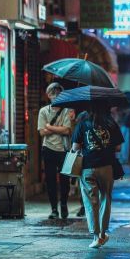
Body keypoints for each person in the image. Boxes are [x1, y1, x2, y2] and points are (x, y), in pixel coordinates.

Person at [71, 105, 123, 249]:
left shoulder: (82, 123)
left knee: (90, 201)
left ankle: (96, 236)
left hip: (87, 167)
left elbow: (75, 147)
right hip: (107, 166)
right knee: (105, 197)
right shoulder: (111, 124)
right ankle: (102, 234)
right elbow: (118, 147)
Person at [38, 82, 72, 219]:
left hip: (63, 150)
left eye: (58, 94)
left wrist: (49, 127)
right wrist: (59, 129)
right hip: (48, 149)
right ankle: (54, 209)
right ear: (49, 95)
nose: (55, 96)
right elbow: (41, 132)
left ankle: (63, 205)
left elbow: (67, 130)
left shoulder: (67, 110)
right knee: (50, 180)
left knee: (65, 180)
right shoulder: (43, 111)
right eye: (53, 94)